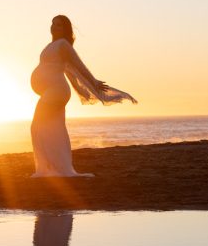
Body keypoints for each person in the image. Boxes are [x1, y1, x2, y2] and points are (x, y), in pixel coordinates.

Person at [30, 15, 136, 177]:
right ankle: (52, 168)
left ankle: (54, 168)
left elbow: (79, 67)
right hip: (51, 91)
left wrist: (93, 82)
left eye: (58, 25)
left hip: (56, 90)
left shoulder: (63, 45)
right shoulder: (51, 45)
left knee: (38, 126)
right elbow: (69, 73)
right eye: (52, 24)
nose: (54, 27)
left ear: (65, 29)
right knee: (50, 128)